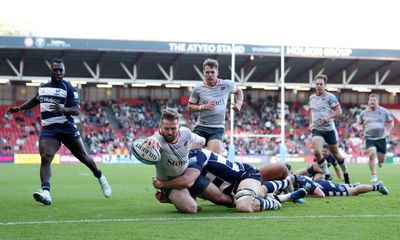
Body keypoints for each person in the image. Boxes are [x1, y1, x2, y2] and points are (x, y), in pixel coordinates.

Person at [6, 58, 111, 205]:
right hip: (49, 129)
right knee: (45, 156)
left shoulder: (68, 88)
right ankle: (46, 192)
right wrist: (19, 108)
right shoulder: (43, 87)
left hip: (66, 127)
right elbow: (35, 100)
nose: (58, 72)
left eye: (61, 70)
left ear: (64, 71)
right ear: (51, 71)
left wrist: (63, 109)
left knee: (83, 158)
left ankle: (100, 177)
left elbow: (77, 110)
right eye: (56, 69)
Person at [153, 148, 307, 213]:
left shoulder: (196, 156)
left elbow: (187, 181)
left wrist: (163, 184)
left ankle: (278, 197)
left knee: (244, 206)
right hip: (231, 190)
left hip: (245, 176)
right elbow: (194, 201)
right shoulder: (184, 171)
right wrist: (170, 199)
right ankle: (286, 192)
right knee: (249, 197)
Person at [144, 108, 233, 213]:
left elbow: (202, 140)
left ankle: (248, 199)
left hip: (189, 177)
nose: (170, 132)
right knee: (192, 208)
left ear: (179, 127)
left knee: (221, 199)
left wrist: (199, 148)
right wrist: (151, 139)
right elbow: (145, 144)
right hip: (169, 183)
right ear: (160, 127)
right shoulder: (156, 140)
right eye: (166, 129)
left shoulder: (186, 133)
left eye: (173, 128)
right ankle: (171, 197)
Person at [188, 58, 244, 154]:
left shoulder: (227, 84)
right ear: (203, 73)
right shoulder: (198, 88)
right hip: (201, 126)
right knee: (192, 156)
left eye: (212, 72)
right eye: (207, 72)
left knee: (213, 159)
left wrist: (239, 103)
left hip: (217, 128)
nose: (210, 75)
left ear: (217, 72)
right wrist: (202, 107)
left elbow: (239, 91)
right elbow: (190, 107)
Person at [309, 74, 350, 184]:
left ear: (325, 85)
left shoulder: (330, 97)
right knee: (317, 151)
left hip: (329, 130)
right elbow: (311, 112)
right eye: (317, 84)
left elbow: (339, 111)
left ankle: (346, 173)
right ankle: (327, 175)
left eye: (321, 84)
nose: (319, 86)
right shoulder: (311, 98)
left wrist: (328, 117)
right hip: (317, 129)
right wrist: (310, 123)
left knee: (336, 154)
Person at [357, 94, 394, 182]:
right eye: (371, 100)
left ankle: (381, 162)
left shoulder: (384, 111)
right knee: (372, 154)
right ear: (368, 102)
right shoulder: (363, 113)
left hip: (381, 138)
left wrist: (388, 131)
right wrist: (360, 129)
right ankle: (374, 175)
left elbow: (391, 122)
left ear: (377, 102)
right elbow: (359, 123)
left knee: (381, 159)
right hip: (369, 138)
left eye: (374, 100)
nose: (372, 101)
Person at [292, 173, 388, 197]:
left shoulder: (302, 182)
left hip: (325, 188)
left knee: (353, 192)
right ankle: (351, 185)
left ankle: (378, 187)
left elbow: (321, 195)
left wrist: (306, 196)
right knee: (345, 187)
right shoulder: (297, 179)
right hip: (322, 184)